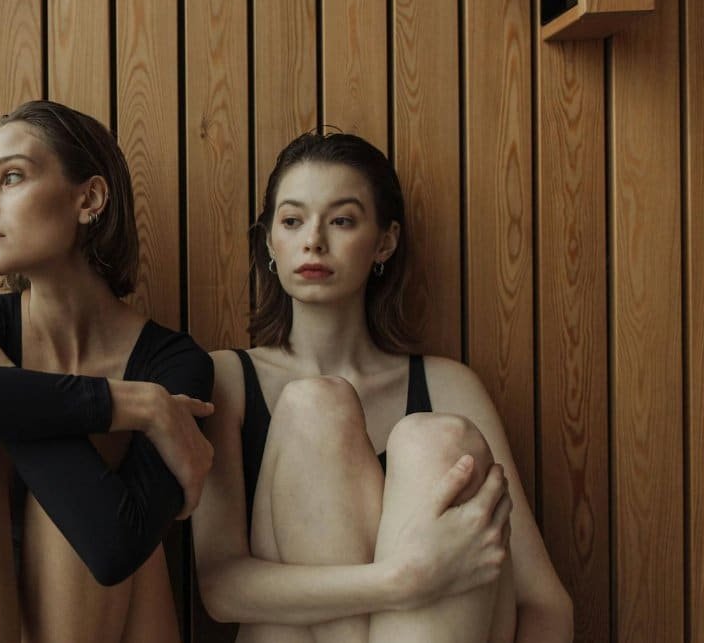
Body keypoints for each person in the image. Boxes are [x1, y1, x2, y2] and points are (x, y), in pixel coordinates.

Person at [191, 130, 573, 642]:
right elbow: (222, 588)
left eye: (342, 220)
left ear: (385, 241)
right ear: (269, 243)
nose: (314, 240)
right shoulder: (227, 380)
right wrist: (402, 581)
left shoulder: (448, 386)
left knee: (438, 440)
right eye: (292, 220)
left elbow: (543, 601)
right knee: (314, 406)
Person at [0, 100, 214, 643]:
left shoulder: (170, 364)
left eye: (11, 178)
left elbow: (112, 543)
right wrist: (132, 405)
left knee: (85, 442)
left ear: (89, 199)